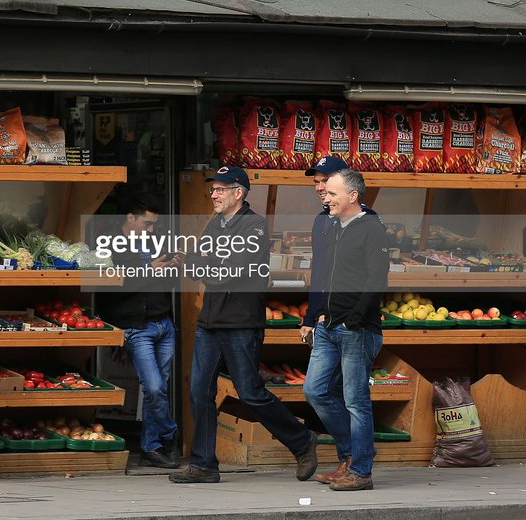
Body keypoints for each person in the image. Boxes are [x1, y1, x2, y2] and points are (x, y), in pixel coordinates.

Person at [170, 166, 318, 485]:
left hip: (241, 322)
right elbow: (203, 264)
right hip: (210, 320)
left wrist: (201, 264)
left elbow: (230, 273)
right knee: (199, 391)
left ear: (238, 192)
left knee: (250, 392)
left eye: (220, 189)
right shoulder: (215, 226)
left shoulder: (253, 227)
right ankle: (204, 464)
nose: (213, 194)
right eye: (213, 189)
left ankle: (302, 440)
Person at [301, 168, 390, 492]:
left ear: (352, 196)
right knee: (315, 390)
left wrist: (353, 318)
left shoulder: (371, 229)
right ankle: (352, 455)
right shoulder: (333, 227)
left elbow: (377, 280)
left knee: (356, 401)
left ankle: (361, 471)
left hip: (356, 328)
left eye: (333, 193)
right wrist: (318, 315)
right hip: (329, 325)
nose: (326, 196)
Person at [88, 192, 180, 468]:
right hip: (136, 327)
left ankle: (151, 446)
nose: (151, 230)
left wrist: (172, 267)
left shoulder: (155, 242)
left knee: (160, 389)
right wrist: (149, 270)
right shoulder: (108, 246)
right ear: (130, 218)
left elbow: (167, 282)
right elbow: (109, 285)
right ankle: (170, 433)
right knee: (153, 388)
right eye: (147, 224)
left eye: (154, 225)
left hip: (164, 323)